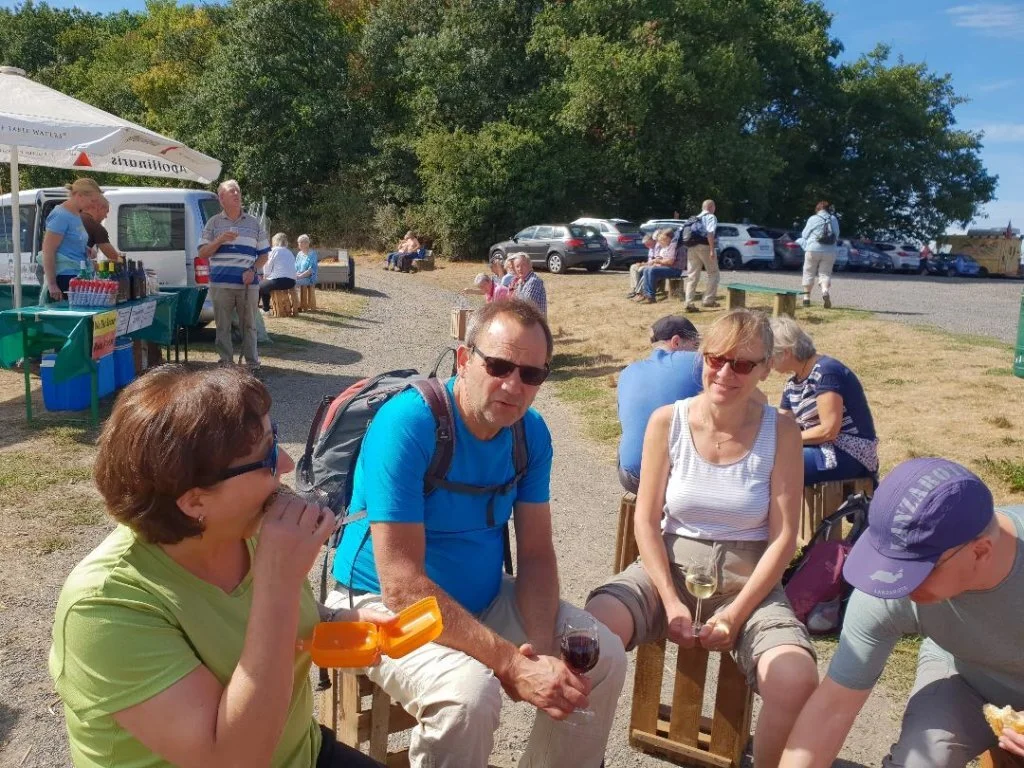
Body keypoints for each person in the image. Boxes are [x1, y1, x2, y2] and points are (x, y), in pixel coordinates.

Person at [328, 299, 627, 767]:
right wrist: (510, 663)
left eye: (532, 375)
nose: (513, 385)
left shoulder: (529, 434)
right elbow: (402, 586)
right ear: (464, 360)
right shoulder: (409, 423)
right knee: (469, 697)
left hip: (482, 598)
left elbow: (535, 554)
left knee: (603, 655)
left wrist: (543, 653)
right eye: (500, 365)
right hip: (380, 606)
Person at [49, 365, 389, 768]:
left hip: (302, 753)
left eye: (273, 436)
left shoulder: (249, 527)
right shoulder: (105, 607)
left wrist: (338, 618)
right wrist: (278, 583)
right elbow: (233, 760)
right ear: (194, 501)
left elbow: (249, 623)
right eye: (264, 455)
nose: (284, 463)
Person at [586, 309, 818, 767]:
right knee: (590, 633)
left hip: (747, 582)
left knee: (796, 680)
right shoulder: (666, 422)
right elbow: (647, 522)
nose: (725, 373)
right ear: (701, 358)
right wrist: (671, 601)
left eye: (743, 364)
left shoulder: (782, 430)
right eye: (715, 358)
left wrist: (736, 612)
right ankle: (577, 756)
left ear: (767, 367)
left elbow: (785, 536)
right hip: (666, 569)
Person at [781, 458, 1024, 768]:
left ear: (980, 551)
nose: (893, 583)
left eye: (915, 571)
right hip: (965, 678)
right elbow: (833, 708)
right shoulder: (886, 586)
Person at [770, 316, 878, 486]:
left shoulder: (826, 372)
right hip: (819, 448)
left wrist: (785, 439)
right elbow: (782, 424)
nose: (768, 363)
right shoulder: (792, 383)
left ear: (785, 352)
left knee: (778, 466)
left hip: (847, 451)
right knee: (765, 458)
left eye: (769, 355)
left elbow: (828, 431)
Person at [616, 315, 702, 494]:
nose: (698, 351)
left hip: (632, 477)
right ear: (676, 342)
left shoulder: (628, 372)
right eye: (695, 346)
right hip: (677, 479)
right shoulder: (696, 362)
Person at [197, 179, 270, 371]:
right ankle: (226, 365)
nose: (237, 194)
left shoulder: (254, 223)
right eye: (232, 192)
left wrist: (253, 270)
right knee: (223, 327)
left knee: (249, 326)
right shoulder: (214, 223)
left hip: (248, 283)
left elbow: (264, 255)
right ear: (221, 198)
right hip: (221, 284)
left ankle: (252, 365)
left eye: (238, 191)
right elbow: (203, 253)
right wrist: (220, 240)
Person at [40, 178, 100, 303]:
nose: (94, 205)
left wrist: (86, 249)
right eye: (92, 201)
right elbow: (48, 250)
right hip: (65, 278)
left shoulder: (76, 214)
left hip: (79, 275)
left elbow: (70, 241)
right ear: (79, 196)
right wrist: (52, 284)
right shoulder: (60, 215)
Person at [797, 201, 840, 308]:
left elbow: (804, 234)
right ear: (828, 209)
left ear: (818, 209)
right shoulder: (833, 219)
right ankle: (825, 291)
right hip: (830, 251)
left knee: (808, 272)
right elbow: (837, 234)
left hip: (813, 249)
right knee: (825, 273)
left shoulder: (813, 218)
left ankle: (806, 298)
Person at [683, 199, 720, 312]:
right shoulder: (710, 217)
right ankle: (708, 300)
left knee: (692, 276)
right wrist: (712, 250)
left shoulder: (693, 219)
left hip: (691, 247)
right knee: (713, 273)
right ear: (712, 207)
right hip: (704, 246)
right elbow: (710, 233)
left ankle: (688, 302)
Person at [637, 229, 685, 304]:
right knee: (647, 269)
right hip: (670, 268)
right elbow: (663, 258)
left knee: (652, 270)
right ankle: (647, 295)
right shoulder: (669, 245)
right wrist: (657, 261)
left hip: (676, 270)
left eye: (663, 239)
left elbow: (670, 261)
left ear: (668, 238)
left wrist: (658, 261)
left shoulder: (674, 245)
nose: (661, 242)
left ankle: (651, 296)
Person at [259, 233, 298, 313]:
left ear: (275, 241)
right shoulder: (289, 252)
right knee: (267, 284)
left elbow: (267, 266)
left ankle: (265, 309)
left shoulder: (273, 250)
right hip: (291, 282)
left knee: (261, 286)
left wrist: (265, 277)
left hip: (279, 281)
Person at [81, 194, 121, 264]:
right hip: (72, 272)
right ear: (98, 207)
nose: (105, 216)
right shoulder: (95, 227)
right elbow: (115, 258)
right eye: (106, 212)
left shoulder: (75, 217)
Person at [511, 252, 547, 317]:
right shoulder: (522, 282)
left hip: (535, 324)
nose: (520, 269)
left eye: (523, 265)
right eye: (517, 266)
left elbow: (526, 307)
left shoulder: (533, 281)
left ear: (529, 265)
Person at [626, 234, 657, 299]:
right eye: (645, 244)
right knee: (633, 267)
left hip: (654, 266)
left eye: (648, 243)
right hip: (649, 265)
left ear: (652, 241)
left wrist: (643, 264)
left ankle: (639, 291)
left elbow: (655, 262)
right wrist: (642, 263)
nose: (646, 246)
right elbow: (650, 261)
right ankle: (634, 289)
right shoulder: (651, 249)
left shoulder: (657, 248)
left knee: (640, 269)